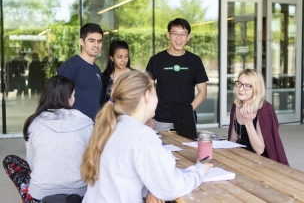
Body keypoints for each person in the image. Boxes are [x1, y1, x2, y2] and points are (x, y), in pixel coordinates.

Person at [80, 71, 212, 203]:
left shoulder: (110, 127)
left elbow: (124, 175)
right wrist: (199, 170)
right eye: (155, 92)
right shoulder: (140, 135)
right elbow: (172, 187)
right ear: (147, 96)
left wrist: (149, 191)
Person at [2, 75, 94, 202]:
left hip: (40, 195)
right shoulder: (87, 122)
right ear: (67, 98)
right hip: (79, 194)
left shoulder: (34, 123)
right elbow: (91, 161)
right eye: (73, 95)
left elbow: (32, 162)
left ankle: (28, 199)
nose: (74, 98)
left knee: (10, 160)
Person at [145, 18, 209, 131]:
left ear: (188, 37)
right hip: (161, 120)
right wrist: (148, 115)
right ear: (168, 35)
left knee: (187, 149)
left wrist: (187, 112)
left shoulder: (195, 61)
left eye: (183, 34)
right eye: (175, 33)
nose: (179, 38)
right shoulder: (156, 60)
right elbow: (146, 90)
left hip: (187, 120)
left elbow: (203, 92)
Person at [227, 68, 289, 165]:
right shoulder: (236, 105)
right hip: (241, 155)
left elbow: (260, 150)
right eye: (239, 83)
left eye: (247, 86)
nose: (241, 88)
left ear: (256, 88)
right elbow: (233, 139)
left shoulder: (264, 109)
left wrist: (248, 122)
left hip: (260, 161)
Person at [57, 23, 103, 120]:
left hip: (93, 128)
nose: (96, 45)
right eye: (91, 41)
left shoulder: (97, 69)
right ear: (81, 41)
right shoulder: (70, 66)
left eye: (99, 41)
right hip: (75, 128)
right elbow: (58, 99)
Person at [100, 40, 134, 105]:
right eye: (119, 57)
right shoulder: (104, 78)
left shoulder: (135, 76)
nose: (123, 60)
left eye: (126, 56)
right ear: (112, 58)